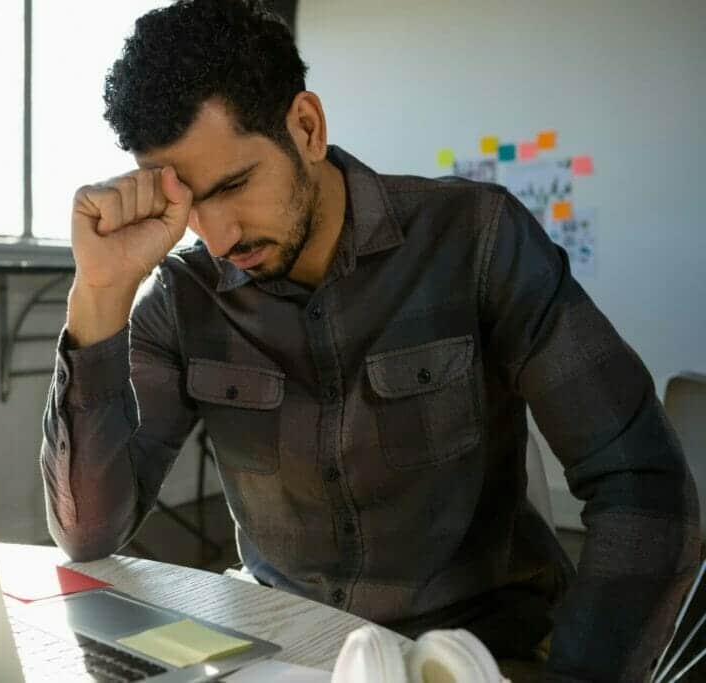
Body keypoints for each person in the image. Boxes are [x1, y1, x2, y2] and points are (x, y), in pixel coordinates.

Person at [39, 1, 700, 680]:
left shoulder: (477, 239)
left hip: (476, 652)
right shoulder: (182, 297)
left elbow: (642, 484)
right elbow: (90, 532)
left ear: (306, 126)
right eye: (187, 203)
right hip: (286, 653)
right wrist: (100, 295)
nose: (219, 236)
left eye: (235, 183)